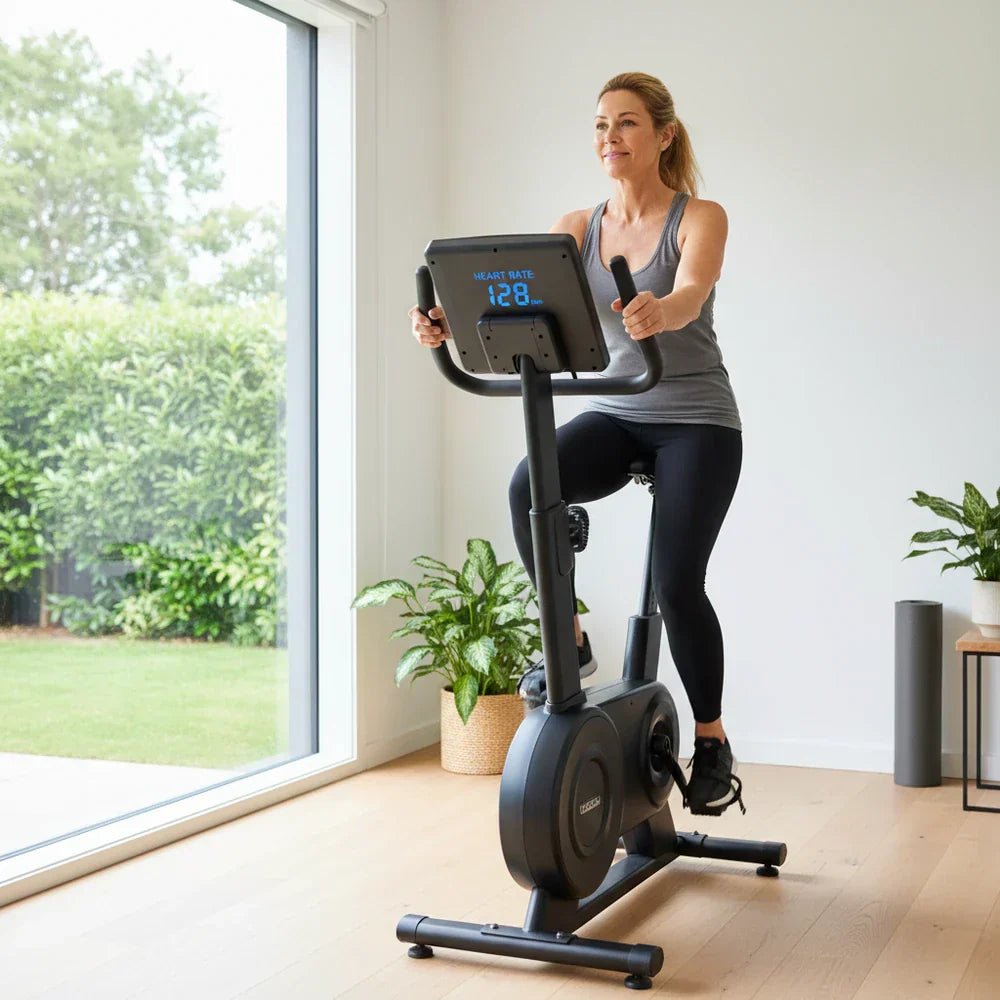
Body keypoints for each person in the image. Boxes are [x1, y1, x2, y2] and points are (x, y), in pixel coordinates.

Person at [408, 72, 744, 816]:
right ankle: (571, 639)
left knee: (677, 582)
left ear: (662, 134)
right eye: (600, 126)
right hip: (620, 410)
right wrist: (446, 326)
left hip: (697, 419)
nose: (610, 138)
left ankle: (713, 742)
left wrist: (666, 308)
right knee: (530, 484)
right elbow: (521, 305)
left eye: (626, 124)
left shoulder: (700, 216)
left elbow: (692, 289)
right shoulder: (577, 226)